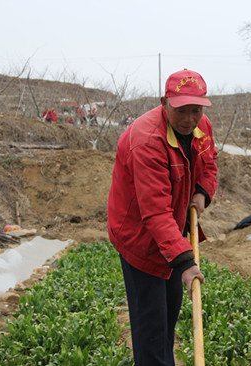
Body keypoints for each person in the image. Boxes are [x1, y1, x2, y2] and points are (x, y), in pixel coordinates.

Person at [107, 69, 218, 365]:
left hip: (171, 233)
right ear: (164, 102)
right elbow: (155, 211)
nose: (189, 118)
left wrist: (202, 192)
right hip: (139, 236)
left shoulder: (200, 125)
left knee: (168, 312)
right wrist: (186, 262)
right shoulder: (146, 140)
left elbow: (209, 163)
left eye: (196, 110)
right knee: (151, 328)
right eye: (181, 110)